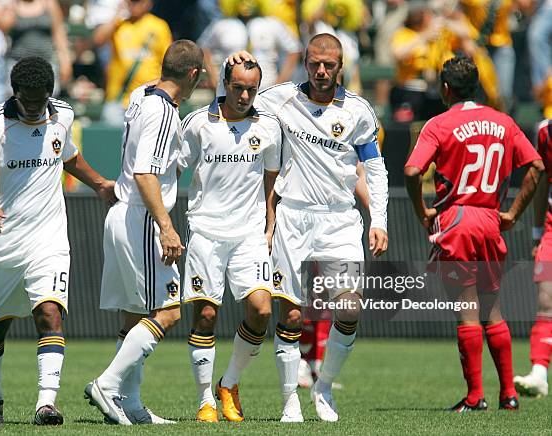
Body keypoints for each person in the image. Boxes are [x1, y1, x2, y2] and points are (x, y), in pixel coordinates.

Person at [225, 33, 389, 422]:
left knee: (348, 308)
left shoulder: (359, 112)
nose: (320, 70)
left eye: (328, 64)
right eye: (314, 62)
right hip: (293, 217)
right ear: (305, 63)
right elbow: (237, 96)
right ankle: (288, 400)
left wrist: (377, 219)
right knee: (292, 316)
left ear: (341, 67)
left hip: (340, 220)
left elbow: (376, 168)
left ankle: (324, 386)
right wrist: (230, 67)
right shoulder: (278, 99)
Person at [0, 56, 116, 425]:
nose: (33, 108)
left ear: (49, 94)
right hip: (2, 244)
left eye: (39, 101)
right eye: (26, 101)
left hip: (49, 240)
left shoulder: (62, 115)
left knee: (50, 314)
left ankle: (47, 404)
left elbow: (68, 156)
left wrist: (99, 185)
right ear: (15, 94)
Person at [404, 55, 544, 412]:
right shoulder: (504, 121)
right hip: (489, 220)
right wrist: (513, 213)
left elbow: (411, 170)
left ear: (445, 88)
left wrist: (422, 213)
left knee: (466, 313)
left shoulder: (438, 124)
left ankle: (474, 396)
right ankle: (508, 395)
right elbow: (537, 166)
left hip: (457, 220)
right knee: (493, 311)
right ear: (477, 86)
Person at [84, 40, 204, 425]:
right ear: (192, 75)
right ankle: (109, 383)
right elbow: (144, 172)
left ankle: (130, 406)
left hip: (121, 213)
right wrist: (167, 227)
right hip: (144, 216)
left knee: (134, 317)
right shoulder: (164, 112)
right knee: (167, 312)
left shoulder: (140, 94)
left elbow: (161, 82)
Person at [179, 60, 281, 422]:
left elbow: (271, 179)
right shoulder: (198, 123)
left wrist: (270, 226)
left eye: (251, 89)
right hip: (206, 231)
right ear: (224, 83)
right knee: (206, 314)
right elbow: (175, 168)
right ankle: (205, 399)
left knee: (262, 310)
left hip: (249, 234)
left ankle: (229, 382)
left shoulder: (268, 126)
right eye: (237, 87)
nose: (244, 95)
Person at [513, 117, 551, 398]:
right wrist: (538, 231)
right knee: (546, 299)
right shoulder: (546, 132)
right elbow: (543, 179)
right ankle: (539, 372)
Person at [93, 0, 172, 126]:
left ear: (148, 3)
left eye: (138, 1)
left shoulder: (159, 26)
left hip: (148, 99)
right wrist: (116, 16)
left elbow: (168, 63)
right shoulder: (119, 24)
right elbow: (98, 40)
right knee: (113, 142)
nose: (134, 4)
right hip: (118, 99)